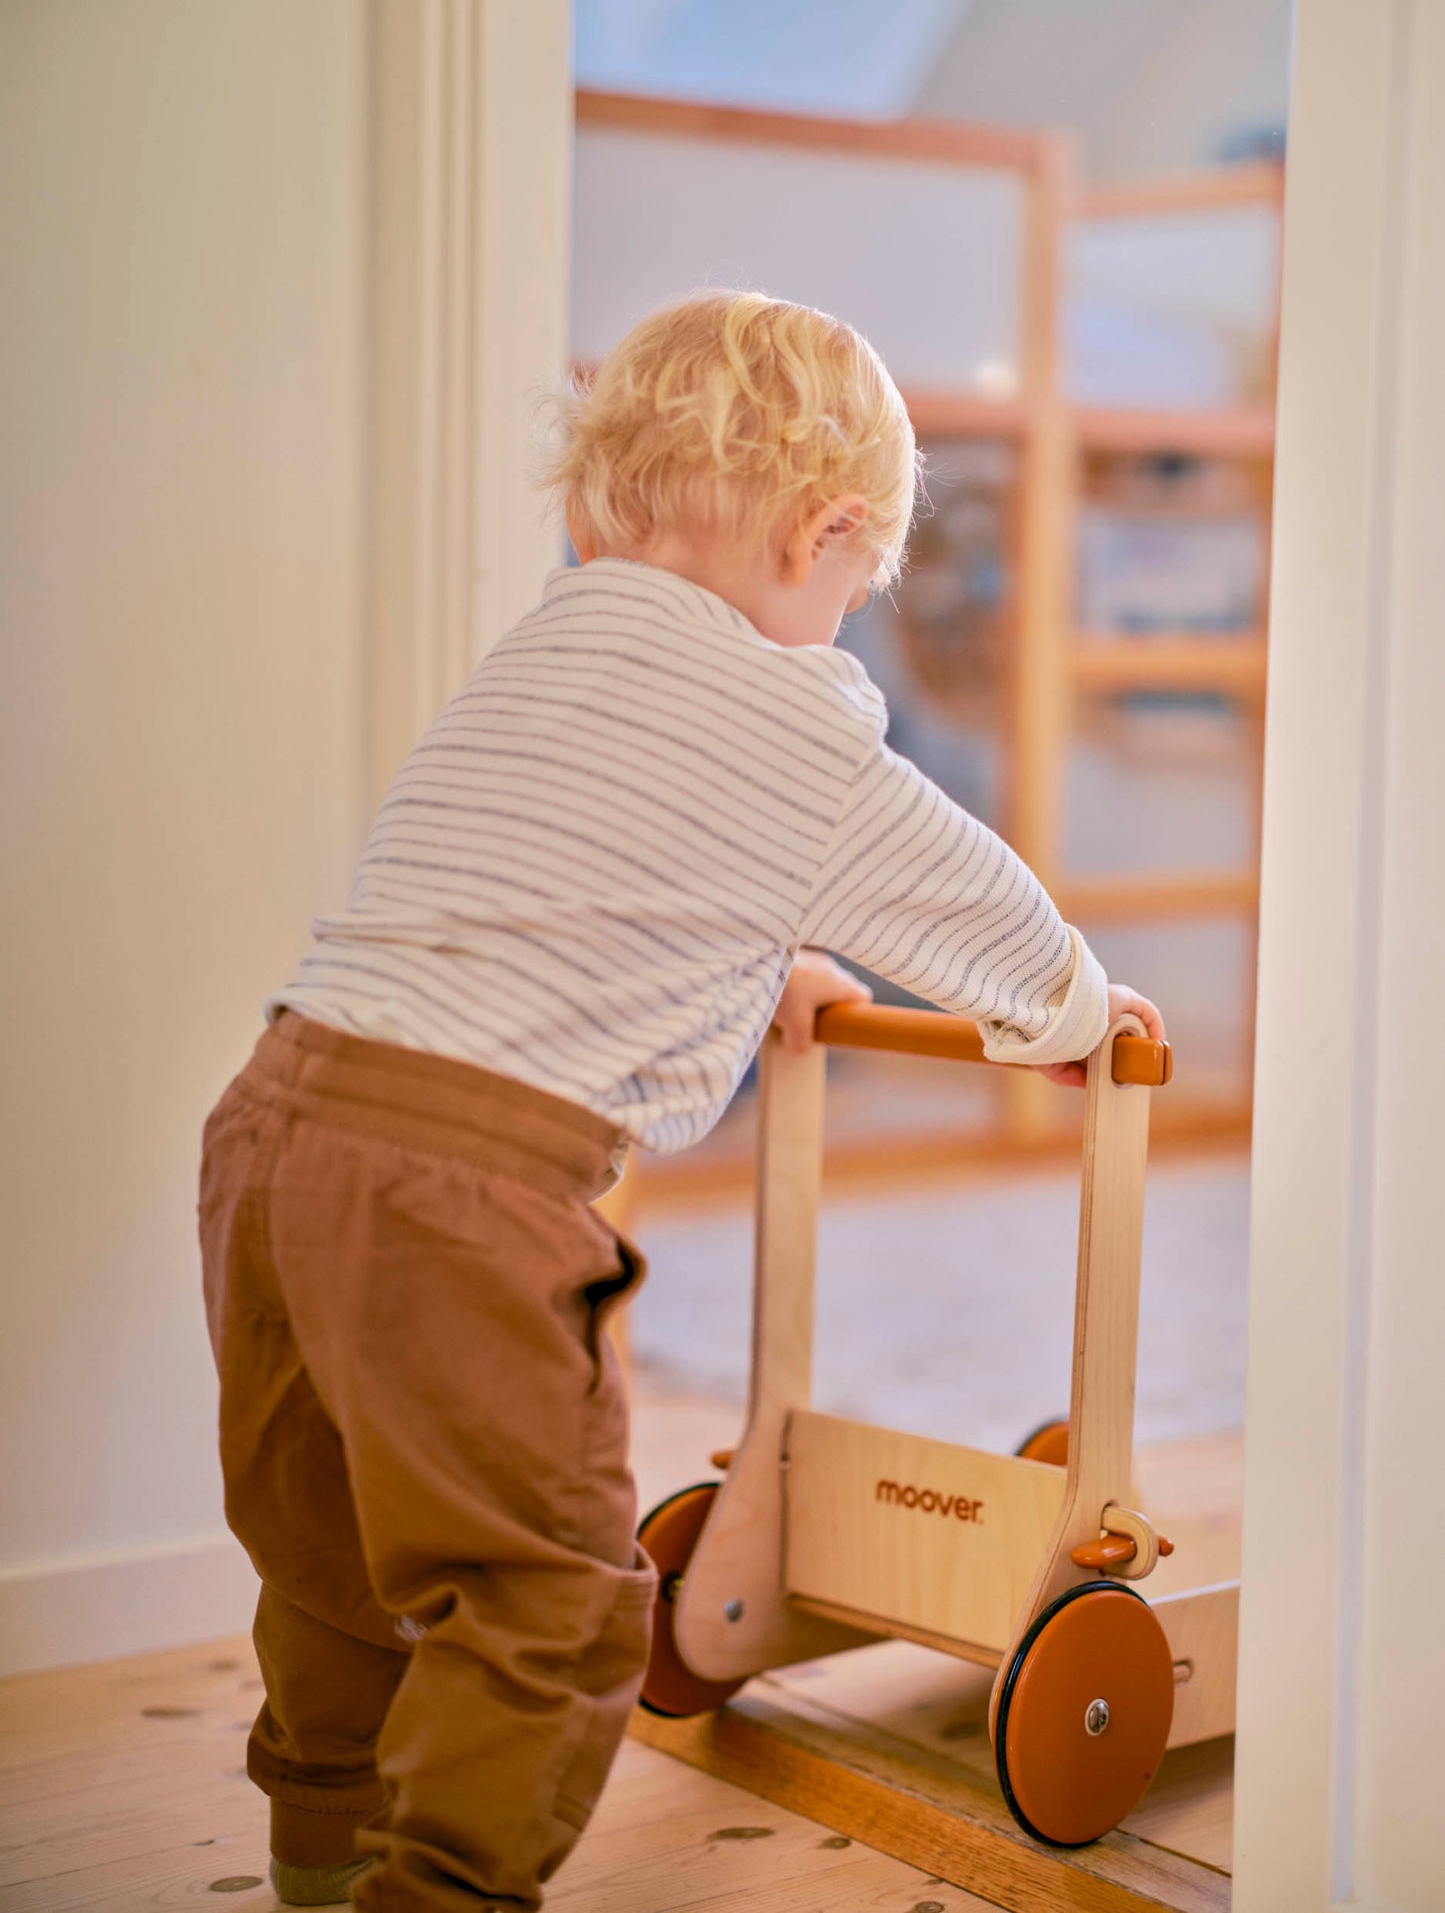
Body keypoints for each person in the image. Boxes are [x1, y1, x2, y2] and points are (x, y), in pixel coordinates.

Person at [198, 289, 1164, 1912]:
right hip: (462, 1183)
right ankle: (437, 1894)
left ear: (597, 503)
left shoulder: (556, 648)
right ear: (826, 533)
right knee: (554, 1603)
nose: (847, 620)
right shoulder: (798, 714)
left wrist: (752, 959)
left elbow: (588, 890)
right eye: (857, 586)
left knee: (335, 1551)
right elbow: (954, 896)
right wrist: (1067, 1004)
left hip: (278, 1122)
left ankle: (322, 1839)